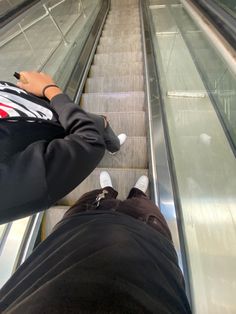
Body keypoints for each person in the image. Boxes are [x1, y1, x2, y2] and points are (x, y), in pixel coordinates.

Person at [0, 171, 191, 314]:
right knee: (143, 205)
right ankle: (137, 193)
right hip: (147, 237)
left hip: (77, 227)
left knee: (95, 197)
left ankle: (107, 191)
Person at [0, 71, 127, 224]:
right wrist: (50, 89)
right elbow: (89, 142)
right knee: (100, 127)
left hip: (65, 115)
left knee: (103, 125)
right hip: (74, 130)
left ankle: (114, 146)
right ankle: (111, 144)